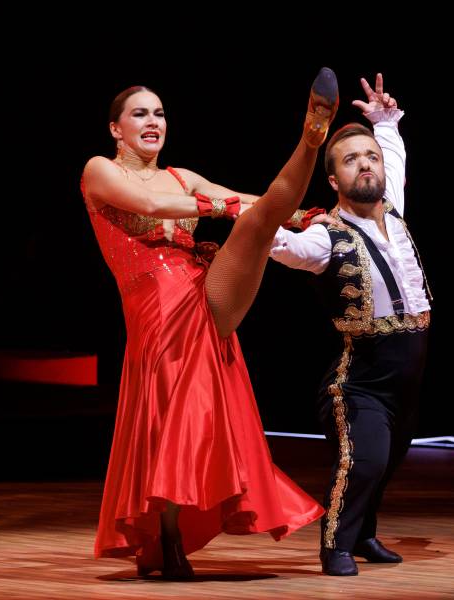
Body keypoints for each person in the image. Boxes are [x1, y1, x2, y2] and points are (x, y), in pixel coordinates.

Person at [80, 68, 339, 579]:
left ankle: (311, 138)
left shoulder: (183, 176)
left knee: (260, 217)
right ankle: (168, 533)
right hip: (156, 313)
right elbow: (151, 205)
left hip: (202, 294)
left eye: (159, 113)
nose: (153, 121)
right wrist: (225, 208)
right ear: (116, 129)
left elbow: (248, 200)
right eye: (140, 113)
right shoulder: (99, 170)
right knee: (174, 419)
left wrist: (300, 218)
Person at [269, 74, 432, 576]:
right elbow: (281, 245)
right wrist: (260, 220)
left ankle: (363, 535)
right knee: (364, 461)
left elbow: (395, 156)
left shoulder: (395, 211)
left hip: (407, 380)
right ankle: (335, 545)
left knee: (387, 462)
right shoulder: (326, 237)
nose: (366, 164)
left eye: (370, 157)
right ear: (335, 181)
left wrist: (384, 121)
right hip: (359, 384)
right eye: (350, 160)